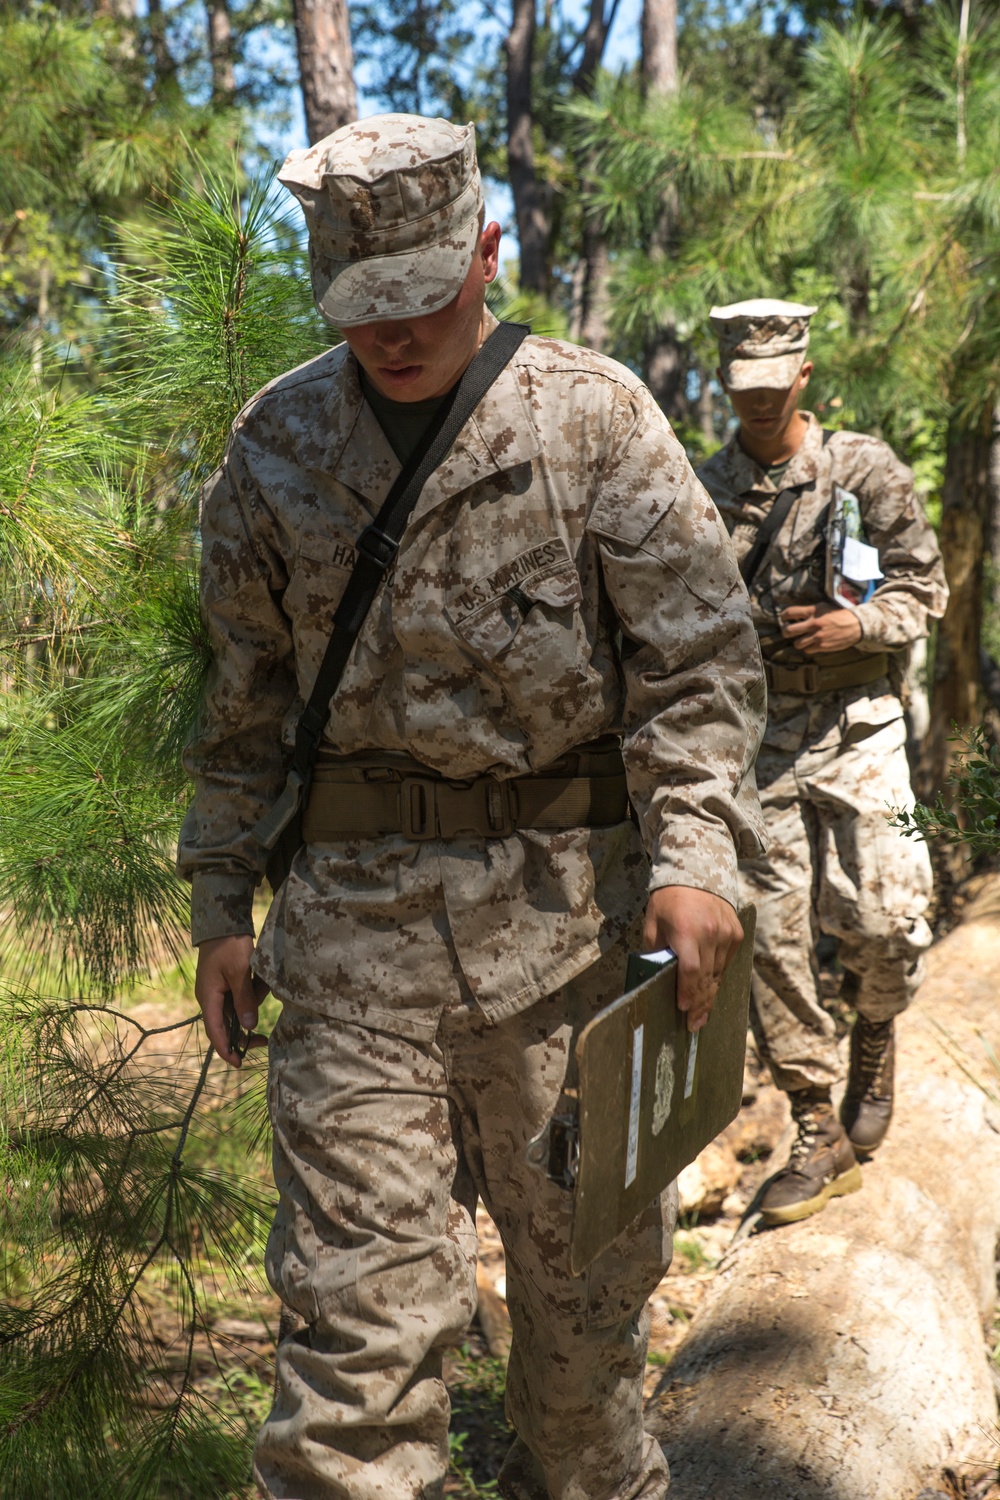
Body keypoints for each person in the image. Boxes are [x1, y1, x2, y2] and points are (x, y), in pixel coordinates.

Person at [179, 113, 766, 1500]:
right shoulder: (276, 448)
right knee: (352, 1376)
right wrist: (217, 903)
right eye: (359, 305)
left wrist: (695, 859)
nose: (392, 331)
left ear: (483, 252)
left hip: (570, 945)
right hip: (354, 951)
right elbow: (240, 711)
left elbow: (696, 661)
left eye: (423, 296)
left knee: (579, 1380)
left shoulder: (590, 418)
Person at [696, 298, 949, 1229]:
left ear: (804, 373)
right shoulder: (705, 487)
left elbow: (927, 588)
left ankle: (875, 1029)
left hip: (861, 723)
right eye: (741, 390)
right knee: (772, 936)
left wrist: (857, 623)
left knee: (888, 917)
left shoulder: (860, 469)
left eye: (774, 387)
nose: (758, 406)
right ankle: (814, 1119)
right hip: (757, 739)